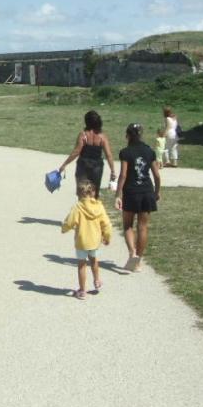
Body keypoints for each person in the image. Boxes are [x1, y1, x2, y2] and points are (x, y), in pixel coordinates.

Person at [115, 123, 161, 272]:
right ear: (141, 135)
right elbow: (157, 175)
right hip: (147, 191)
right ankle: (138, 260)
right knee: (143, 227)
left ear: (127, 135)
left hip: (131, 192)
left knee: (128, 225)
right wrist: (156, 192)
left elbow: (123, 175)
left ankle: (132, 253)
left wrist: (118, 193)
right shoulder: (149, 152)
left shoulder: (125, 152)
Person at [62, 178, 113, 299]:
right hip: (95, 241)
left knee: (82, 265)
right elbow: (106, 224)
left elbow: (69, 221)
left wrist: (64, 228)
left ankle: (82, 290)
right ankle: (96, 280)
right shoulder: (99, 207)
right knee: (94, 260)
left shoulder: (78, 207)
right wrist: (107, 236)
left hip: (81, 241)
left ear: (79, 194)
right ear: (94, 192)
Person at [57, 110, 116, 197]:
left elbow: (76, 152)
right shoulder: (102, 137)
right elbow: (109, 155)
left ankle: (82, 210)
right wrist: (113, 171)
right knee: (94, 193)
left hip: (83, 165)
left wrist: (64, 164)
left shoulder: (83, 135)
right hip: (97, 166)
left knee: (82, 193)